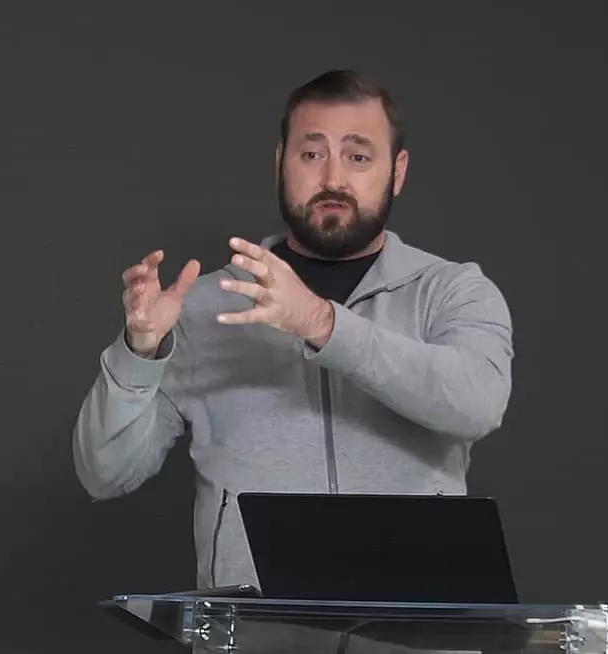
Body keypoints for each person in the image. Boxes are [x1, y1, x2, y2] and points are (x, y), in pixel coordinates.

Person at [72, 69, 514, 590]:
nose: (333, 178)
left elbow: (477, 403)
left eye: (358, 156)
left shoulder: (451, 290)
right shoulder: (205, 306)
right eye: (311, 153)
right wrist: (139, 353)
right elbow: (104, 473)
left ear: (397, 172)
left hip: (416, 625)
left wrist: (320, 323)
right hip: (255, 628)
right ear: (281, 162)